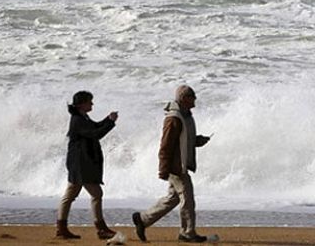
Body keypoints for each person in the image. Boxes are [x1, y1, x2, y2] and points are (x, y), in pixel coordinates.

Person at [132, 85, 211, 243]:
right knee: (187, 199)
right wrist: (163, 169)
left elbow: (183, 140)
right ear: (184, 98)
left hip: (179, 165)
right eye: (192, 96)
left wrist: (197, 141)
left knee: (173, 198)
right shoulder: (174, 118)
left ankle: (143, 219)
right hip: (176, 167)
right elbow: (165, 145)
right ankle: (187, 232)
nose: (195, 99)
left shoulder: (185, 115)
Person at [56, 90, 119, 240]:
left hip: (79, 162)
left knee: (70, 195)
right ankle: (100, 228)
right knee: (96, 194)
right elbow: (96, 134)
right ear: (81, 104)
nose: (92, 104)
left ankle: (61, 228)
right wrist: (110, 123)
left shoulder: (81, 117)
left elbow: (95, 127)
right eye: (90, 101)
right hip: (81, 163)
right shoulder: (77, 120)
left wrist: (108, 120)